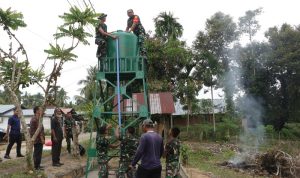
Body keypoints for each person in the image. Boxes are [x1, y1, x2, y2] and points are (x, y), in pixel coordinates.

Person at [30, 106, 45, 170]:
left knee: (39, 152)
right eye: (40, 109)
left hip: (38, 138)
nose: (41, 110)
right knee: (37, 153)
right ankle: (36, 166)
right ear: (37, 111)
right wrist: (42, 138)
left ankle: (38, 165)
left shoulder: (38, 118)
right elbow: (38, 130)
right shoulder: (35, 119)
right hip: (37, 139)